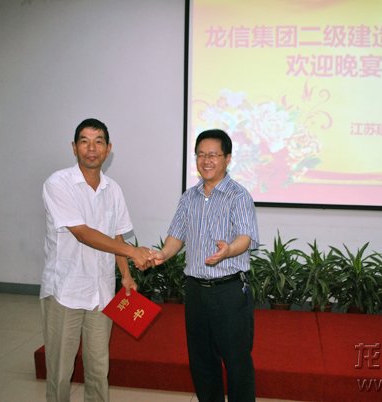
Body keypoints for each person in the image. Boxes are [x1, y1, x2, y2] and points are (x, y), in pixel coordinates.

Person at [41, 118, 151, 402]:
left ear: (108, 149)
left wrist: (126, 275)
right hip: (65, 291)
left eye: (98, 142)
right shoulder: (58, 183)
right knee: (60, 371)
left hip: (101, 293)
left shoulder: (113, 189)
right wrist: (134, 253)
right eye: (85, 141)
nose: (91, 148)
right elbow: (82, 233)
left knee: (99, 370)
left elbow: (117, 235)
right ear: (74, 147)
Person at [149, 129, 259, 402]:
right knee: (202, 362)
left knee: (237, 363)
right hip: (196, 291)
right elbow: (176, 236)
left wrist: (228, 250)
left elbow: (245, 237)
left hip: (229, 291)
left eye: (213, 155)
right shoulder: (189, 197)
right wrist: (162, 255)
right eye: (201, 154)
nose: (206, 160)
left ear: (227, 158)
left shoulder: (238, 196)